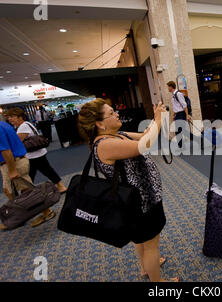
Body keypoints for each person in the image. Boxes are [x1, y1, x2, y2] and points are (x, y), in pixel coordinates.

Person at [77, 98, 179, 282]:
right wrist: (157, 120)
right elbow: (144, 145)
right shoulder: (104, 144)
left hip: (139, 199)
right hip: (141, 202)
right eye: (111, 113)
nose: (116, 113)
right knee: (151, 244)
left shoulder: (117, 135)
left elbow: (146, 135)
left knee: (141, 239)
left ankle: (146, 267)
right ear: (99, 123)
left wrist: (159, 120)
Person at [0, 104, 55, 230]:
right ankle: (24, 216)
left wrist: (12, 170)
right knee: (20, 191)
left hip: (13, 163)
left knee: (22, 191)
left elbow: (6, 151)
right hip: (16, 161)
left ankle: (40, 213)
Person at [5, 108, 68, 199]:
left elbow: (17, 143)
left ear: (20, 117)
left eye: (12, 116)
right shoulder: (26, 124)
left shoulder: (23, 126)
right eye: (9, 117)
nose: (10, 119)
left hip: (33, 155)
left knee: (34, 174)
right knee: (40, 172)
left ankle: (29, 194)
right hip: (36, 153)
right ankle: (30, 193)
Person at [167, 81, 190, 148]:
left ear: (171, 87)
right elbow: (176, 106)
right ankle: (181, 146)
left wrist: (187, 115)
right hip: (178, 114)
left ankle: (180, 146)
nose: (167, 88)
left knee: (179, 131)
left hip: (181, 114)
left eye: (168, 87)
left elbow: (184, 105)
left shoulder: (178, 94)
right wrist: (174, 114)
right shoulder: (173, 95)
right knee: (180, 131)